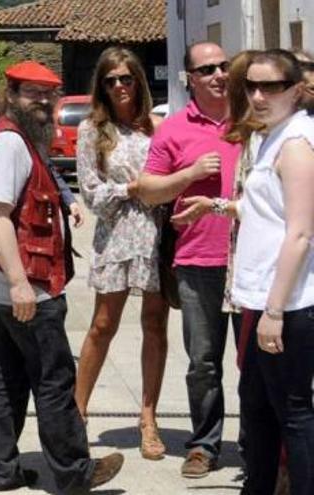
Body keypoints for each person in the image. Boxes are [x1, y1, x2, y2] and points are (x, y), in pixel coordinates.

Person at [0, 60, 124, 493]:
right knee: (53, 378)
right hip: (26, 285)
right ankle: (75, 472)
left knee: (4, 376)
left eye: (48, 94)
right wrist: (19, 283)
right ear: (10, 95)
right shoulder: (10, 144)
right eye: (31, 93)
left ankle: (1, 471)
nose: (42, 102)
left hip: (9, 285)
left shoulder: (15, 139)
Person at [175, 48, 314, 495]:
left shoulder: (296, 144)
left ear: (296, 90)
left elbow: (299, 234)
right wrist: (216, 206)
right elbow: (266, 210)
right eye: (250, 86)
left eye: (271, 86)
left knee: (292, 413)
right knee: (257, 409)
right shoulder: (270, 135)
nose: (258, 95)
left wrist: (274, 311)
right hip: (258, 297)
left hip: (287, 303)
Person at [136, 41, 242, 478]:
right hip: (198, 259)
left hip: (252, 261)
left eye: (224, 66)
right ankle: (204, 444)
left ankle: (260, 442)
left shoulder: (252, 122)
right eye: (208, 69)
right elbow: (147, 189)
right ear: (190, 79)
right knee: (203, 360)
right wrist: (191, 174)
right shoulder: (173, 130)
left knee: (256, 360)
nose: (219, 74)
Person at [73, 47, 170, 461]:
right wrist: (133, 188)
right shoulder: (92, 131)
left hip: (155, 234)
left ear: (139, 82)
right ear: (101, 85)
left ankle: (148, 416)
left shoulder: (158, 127)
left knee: (154, 324)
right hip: (115, 235)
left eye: (126, 78)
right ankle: (76, 413)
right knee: (102, 324)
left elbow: (171, 183)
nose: (118, 86)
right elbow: (92, 194)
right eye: (110, 80)